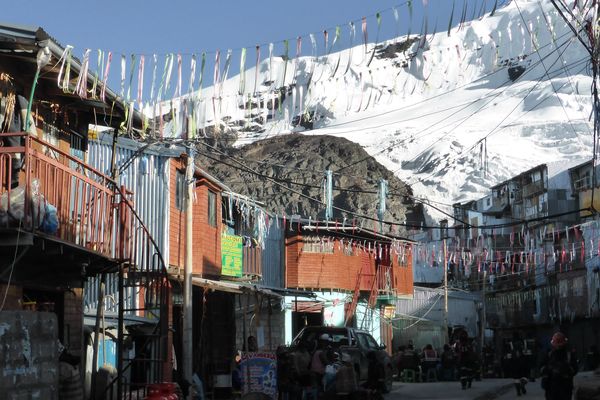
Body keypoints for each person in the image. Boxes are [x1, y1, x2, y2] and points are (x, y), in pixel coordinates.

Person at [540, 332, 578, 400]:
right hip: (551, 388)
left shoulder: (568, 355)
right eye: (557, 344)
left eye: (559, 345)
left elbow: (574, 369)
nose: (558, 346)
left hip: (565, 387)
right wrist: (549, 369)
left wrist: (564, 369)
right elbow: (541, 368)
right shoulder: (549, 355)